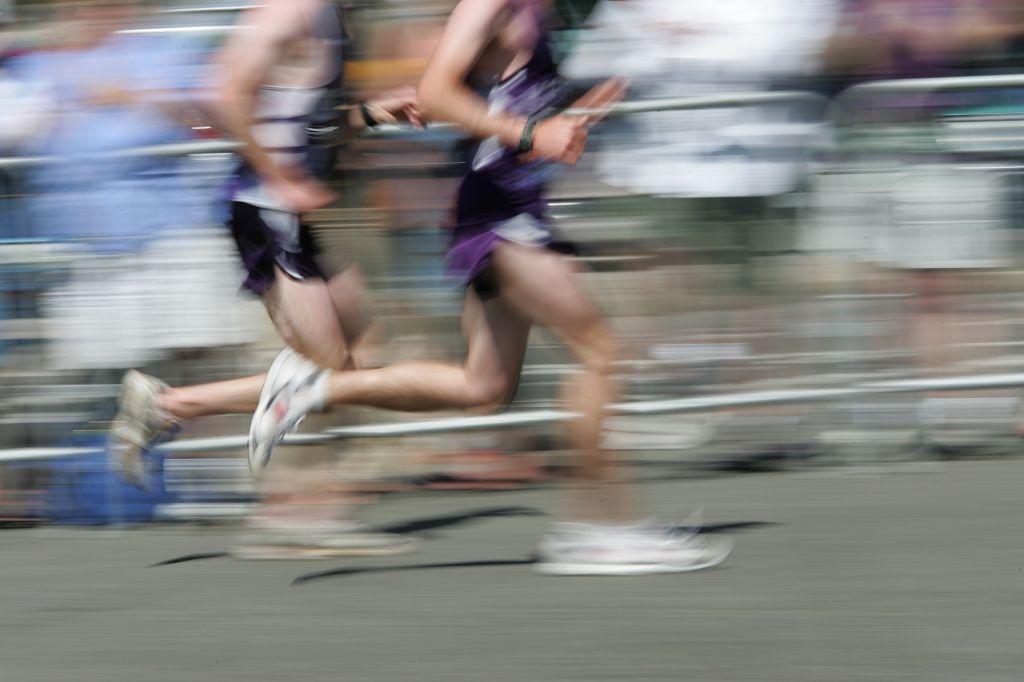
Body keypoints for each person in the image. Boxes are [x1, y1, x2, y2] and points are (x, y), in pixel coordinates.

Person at [247, 0, 734, 575]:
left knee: (484, 386)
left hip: (516, 206)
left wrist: (575, 111)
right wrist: (531, 130)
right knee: (601, 355)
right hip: (498, 217)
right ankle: (602, 530)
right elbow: (437, 91)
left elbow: (519, 95)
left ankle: (312, 390)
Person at [110, 0, 423, 558]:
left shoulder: (325, 14)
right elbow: (220, 97)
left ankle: (298, 504)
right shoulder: (286, 11)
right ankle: (283, 501)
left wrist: (371, 115)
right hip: (265, 207)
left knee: (359, 355)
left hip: (288, 211)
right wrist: (283, 177)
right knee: (328, 372)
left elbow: (307, 122)